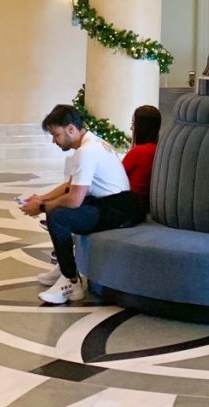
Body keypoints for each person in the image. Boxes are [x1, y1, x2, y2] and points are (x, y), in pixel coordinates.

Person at [19, 103, 137, 304]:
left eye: (56, 135)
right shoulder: (91, 143)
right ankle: (65, 268)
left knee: (59, 216)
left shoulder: (87, 151)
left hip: (117, 210)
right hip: (112, 205)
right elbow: (71, 185)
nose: (54, 141)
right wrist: (42, 198)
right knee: (56, 207)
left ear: (70, 129)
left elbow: (74, 200)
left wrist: (40, 207)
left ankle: (71, 283)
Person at [122, 104, 161, 221]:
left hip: (132, 204)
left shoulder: (137, 152)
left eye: (133, 124)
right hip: (150, 204)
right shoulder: (160, 149)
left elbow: (117, 177)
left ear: (141, 127)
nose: (131, 128)